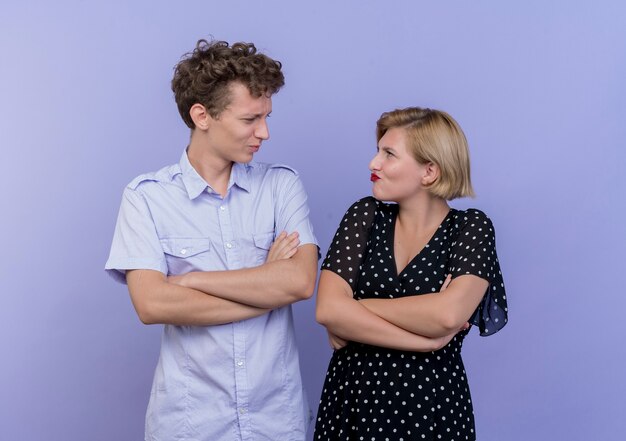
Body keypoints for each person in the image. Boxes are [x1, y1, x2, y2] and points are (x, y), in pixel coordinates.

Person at [105, 39, 319, 441]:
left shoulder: (281, 186)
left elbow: (300, 282)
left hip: (275, 422)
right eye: (250, 119)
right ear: (202, 116)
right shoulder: (146, 197)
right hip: (189, 424)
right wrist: (264, 281)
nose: (265, 133)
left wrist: (189, 282)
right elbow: (152, 305)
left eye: (267, 117)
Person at [314, 107, 508, 440]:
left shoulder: (471, 228)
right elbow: (327, 309)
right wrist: (426, 341)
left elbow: (447, 316)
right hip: (352, 404)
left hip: (431, 407)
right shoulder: (365, 215)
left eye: (389, 154)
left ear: (429, 171)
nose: (373, 164)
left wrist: (356, 307)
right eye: (378, 151)